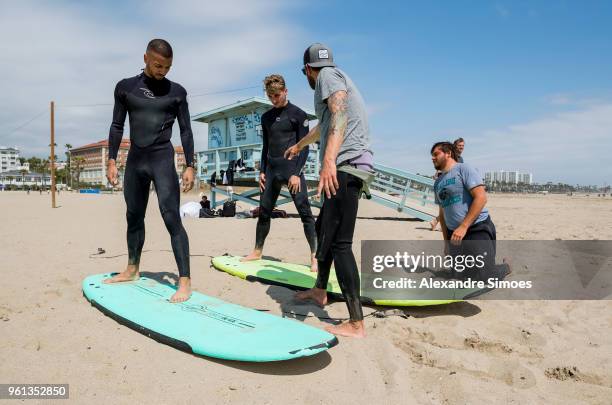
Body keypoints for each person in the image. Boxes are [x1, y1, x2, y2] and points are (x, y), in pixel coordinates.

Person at [285, 43, 374, 338]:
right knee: (325, 226)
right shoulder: (335, 76)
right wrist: (299, 145)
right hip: (348, 164)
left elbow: (338, 114)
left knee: (340, 243)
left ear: (307, 70)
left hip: (346, 167)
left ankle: (356, 322)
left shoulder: (327, 77)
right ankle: (320, 290)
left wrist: (328, 161)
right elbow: (325, 124)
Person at [104, 39, 195, 303]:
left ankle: (185, 281)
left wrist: (190, 164)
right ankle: (132, 268)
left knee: (171, 217)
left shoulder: (177, 92)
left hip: (162, 158)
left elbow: (186, 130)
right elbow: (116, 126)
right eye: (157, 65)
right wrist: (111, 160)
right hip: (135, 159)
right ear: (145, 58)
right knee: (133, 215)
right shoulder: (125, 88)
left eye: (167, 67)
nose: (162, 71)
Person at [242, 74, 318, 272]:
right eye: (270, 96)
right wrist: (261, 171)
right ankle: (257, 250)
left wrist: (296, 172)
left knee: (305, 214)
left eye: (276, 95)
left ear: (285, 91)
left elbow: (306, 147)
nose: (274, 99)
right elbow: (266, 145)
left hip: (292, 170)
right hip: (272, 170)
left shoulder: (298, 115)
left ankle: (314, 257)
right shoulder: (266, 117)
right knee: (264, 212)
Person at [430, 141, 510, 281]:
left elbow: (481, 198)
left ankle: (506, 266)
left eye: (436, 154)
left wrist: (463, 226)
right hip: (454, 235)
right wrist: (446, 243)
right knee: (460, 277)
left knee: (486, 276)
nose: (432, 158)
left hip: (476, 228)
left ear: (448, 153)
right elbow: (442, 215)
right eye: (431, 155)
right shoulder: (438, 182)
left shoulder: (463, 169)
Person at [431, 137, 465, 230]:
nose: (461, 147)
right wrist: (437, 175)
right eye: (459, 146)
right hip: (447, 182)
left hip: (453, 183)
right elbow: (443, 165)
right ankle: (440, 222)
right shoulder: (452, 156)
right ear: (455, 146)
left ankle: (437, 222)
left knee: (449, 204)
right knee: (448, 204)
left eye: (463, 146)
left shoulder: (461, 159)